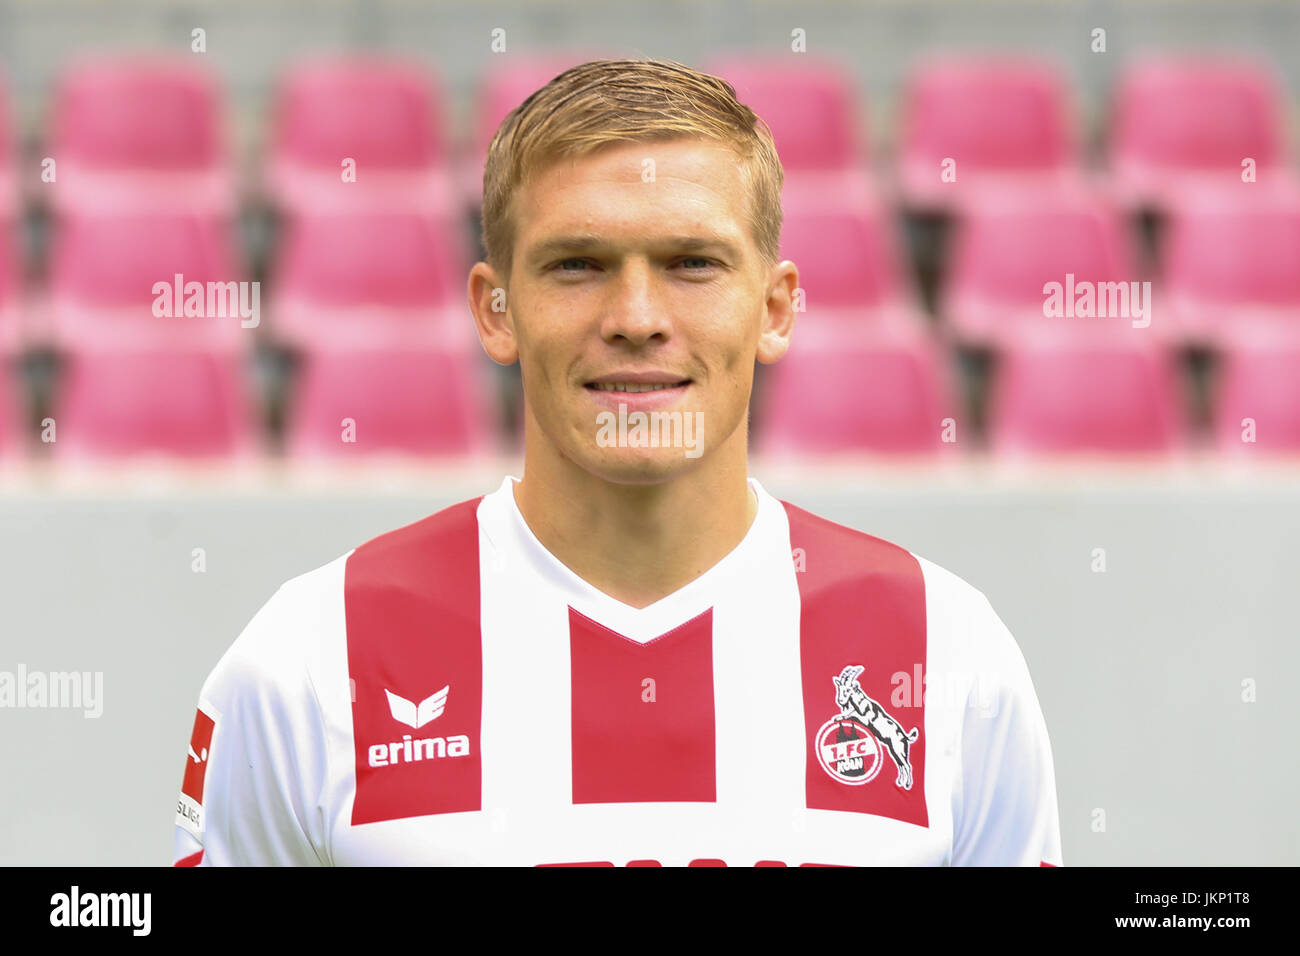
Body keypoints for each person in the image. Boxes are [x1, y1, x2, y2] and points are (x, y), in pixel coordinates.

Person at [171, 57, 1062, 866]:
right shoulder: (309, 657)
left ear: (776, 308)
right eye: (577, 265)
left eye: (691, 262)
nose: (636, 315)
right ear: (495, 310)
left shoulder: (949, 653)